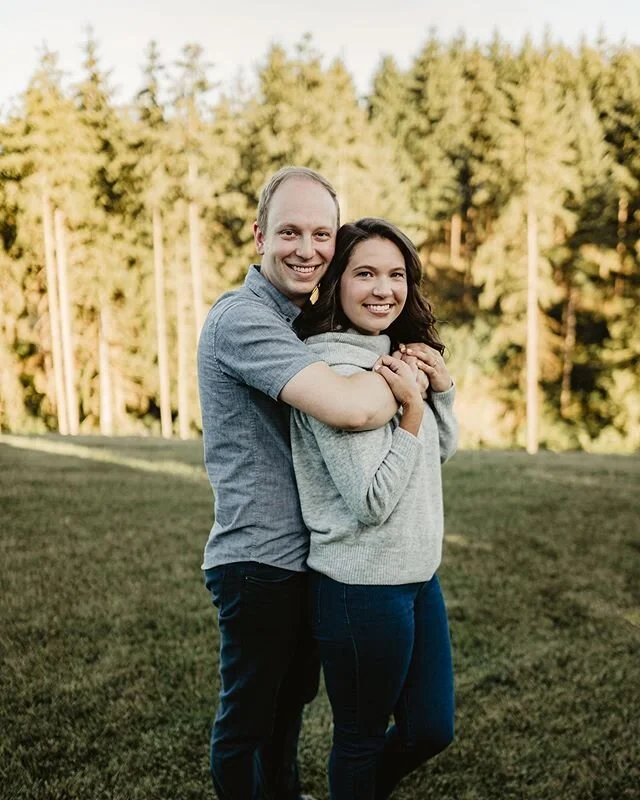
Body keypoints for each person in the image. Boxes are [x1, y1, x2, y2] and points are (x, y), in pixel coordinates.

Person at [197, 167, 404, 800]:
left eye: (321, 234)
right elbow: (351, 408)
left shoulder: (299, 322)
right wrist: (407, 373)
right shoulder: (243, 320)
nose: (306, 249)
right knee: (249, 719)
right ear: (259, 235)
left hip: (299, 557)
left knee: (286, 711)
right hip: (258, 559)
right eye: (289, 231)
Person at [291, 217, 458, 799]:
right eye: (364, 273)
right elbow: (371, 501)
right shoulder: (332, 372)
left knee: (433, 729)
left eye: (396, 274)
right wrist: (411, 411)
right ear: (336, 282)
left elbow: (441, 452)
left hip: (417, 576)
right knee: (360, 738)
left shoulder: (390, 353)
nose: (384, 289)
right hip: (361, 586)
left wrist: (440, 391)